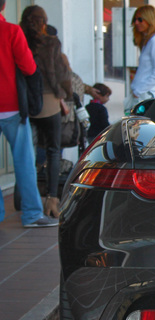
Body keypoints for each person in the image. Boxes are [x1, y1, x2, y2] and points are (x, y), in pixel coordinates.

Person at [0, 0, 57, 228]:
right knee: (24, 161)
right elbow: (29, 68)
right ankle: (32, 215)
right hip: (13, 107)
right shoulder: (11, 31)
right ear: (4, 6)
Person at [21, 5, 72, 219]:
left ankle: (26, 197)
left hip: (24, 103)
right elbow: (57, 74)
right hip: (49, 102)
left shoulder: (20, 41)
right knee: (53, 151)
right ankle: (52, 199)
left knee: (26, 153)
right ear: (43, 22)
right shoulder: (51, 43)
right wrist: (64, 97)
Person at [126, 5, 155, 114]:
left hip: (147, 95)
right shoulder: (148, 41)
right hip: (143, 94)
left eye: (140, 19)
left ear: (150, 20)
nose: (136, 23)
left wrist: (139, 90)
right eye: (135, 19)